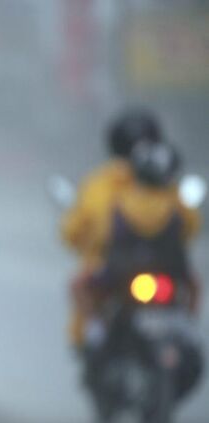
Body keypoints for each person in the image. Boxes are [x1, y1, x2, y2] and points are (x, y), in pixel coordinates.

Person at [61, 109, 164, 345]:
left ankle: (93, 335)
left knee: (80, 288)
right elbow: (189, 224)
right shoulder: (164, 178)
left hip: (109, 268)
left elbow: (73, 229)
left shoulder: (100, 183)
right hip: (162, 267)